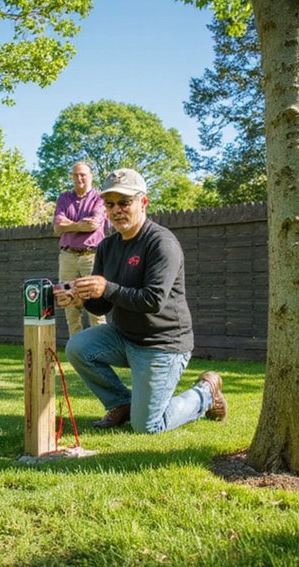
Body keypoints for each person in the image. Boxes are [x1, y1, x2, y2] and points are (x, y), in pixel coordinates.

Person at [60, 168, 227, 433]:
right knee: (78, 347)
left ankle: (205, 394)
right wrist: (79, 298)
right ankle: (121, 404)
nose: (117, 210)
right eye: (110, 204)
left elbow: (153, 300)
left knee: (148, 426)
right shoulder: (107, 246)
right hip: (125, 336)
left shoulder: (161, 243)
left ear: (143, 202)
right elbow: (102, 304)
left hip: (162, 344)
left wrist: (106, 287)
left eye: (124, 203)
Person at [53, 161, 108, 336]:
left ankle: (99, 346)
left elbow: (93, 225)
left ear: (90, 176)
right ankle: (76, 346)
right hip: (68, 256)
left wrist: (69, 225)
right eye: (75, 175)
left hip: (91, 256)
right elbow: (57, 227)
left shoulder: (100, 198)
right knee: (68, 302)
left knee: (95, 302)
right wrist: (80, 224)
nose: (79, 178)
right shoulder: (64, 198)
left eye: (83, 174)